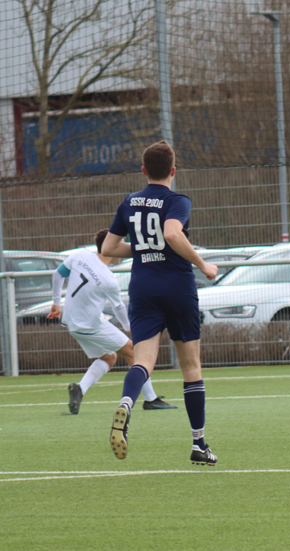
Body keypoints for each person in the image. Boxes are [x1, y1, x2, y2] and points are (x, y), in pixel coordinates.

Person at [102, 141, 219, 465]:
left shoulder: (130, 201)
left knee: (143, 360)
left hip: (142, 289)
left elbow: (110, 247)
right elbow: (171, 233)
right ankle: (199, 444)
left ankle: (127, 402)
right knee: (191, 367)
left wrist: (140, 247)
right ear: (173, 170)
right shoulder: (177, 200)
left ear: (143, 171)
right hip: (177, 288)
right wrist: (203, 265)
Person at [47, 229, 176, 415]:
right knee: (133, 351)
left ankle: (80, 389)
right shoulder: (108, 279)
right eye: (120, 243)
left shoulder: (80, 255)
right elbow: (118, 308)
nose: (123, 248)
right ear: (110, 246)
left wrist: (56, 303)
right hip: (89, 324)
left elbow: (57, 275)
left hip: (72, 322)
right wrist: (129, 328)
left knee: (109, 357)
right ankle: (150, 399)